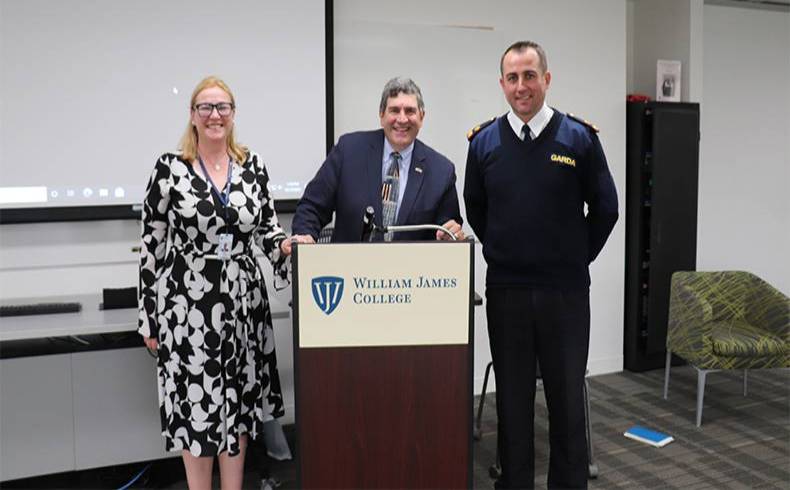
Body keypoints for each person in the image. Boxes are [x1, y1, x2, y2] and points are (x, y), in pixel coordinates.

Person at [464, 41, 618, 489]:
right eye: (512, 78)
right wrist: (505, 251)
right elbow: (476, 208)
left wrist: (574, 256)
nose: (521, 86)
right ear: (502, 84)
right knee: (512, 404)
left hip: (565, 294)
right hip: (507, 293)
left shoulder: (579, 138)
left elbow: (606, 208)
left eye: (529, 75)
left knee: (566, 401)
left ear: (546, 79)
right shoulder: (484, 142)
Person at [138, 75, 305, 490]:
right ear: (192, 116)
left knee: (240, 404)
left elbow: (266, 229)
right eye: (206, 107)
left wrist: (285, 246)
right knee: (198, 407)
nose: (215, 115)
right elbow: (151, 245)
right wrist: (149, 318)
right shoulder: (169, 168)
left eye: (223, 107)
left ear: (233, 115)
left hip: (243, 305)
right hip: (187, 308)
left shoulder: (253, 166)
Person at [291, 77, 464, 243]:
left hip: (410, 272)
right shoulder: (348, 151)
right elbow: (311, 207)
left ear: (422, 117)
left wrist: (450, 234)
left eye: (410, 111)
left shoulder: (441, 172)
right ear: (381, 115)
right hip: (350, 269)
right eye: (394, 110)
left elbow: (448, 230)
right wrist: (305, 235)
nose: (402, 119)